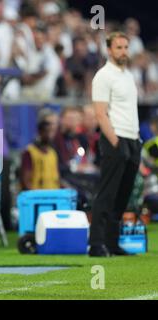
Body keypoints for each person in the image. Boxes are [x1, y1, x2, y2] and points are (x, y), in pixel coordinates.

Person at [89, 32, 142, 257]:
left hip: (132, 138)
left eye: (125, 47)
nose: (123, 51)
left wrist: (135, 140)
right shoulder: (103, 76)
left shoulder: (128, 75)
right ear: (109, 50)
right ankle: (96, 244)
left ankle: (112, 242)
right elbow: (100, 114)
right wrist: (116, 141)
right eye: (118, 47)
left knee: (123, 194)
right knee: (107, 193)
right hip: (116, 137)